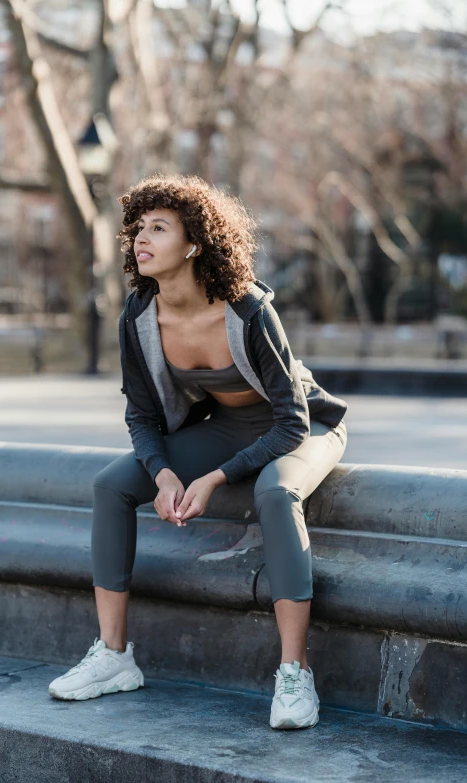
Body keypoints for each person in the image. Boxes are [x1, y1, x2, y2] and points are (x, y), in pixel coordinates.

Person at [49, 173, 348, 730]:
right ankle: (114, 657)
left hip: (301, 427)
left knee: (276, 493)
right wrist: (162, 473)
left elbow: (292, 421)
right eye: (138, 228)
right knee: (111, 485)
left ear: (194, 244)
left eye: (159, 228)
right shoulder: (139, 317)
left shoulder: (249, 310)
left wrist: (214, 478)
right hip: (230, 425)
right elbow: (140, 415)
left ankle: (294, 673)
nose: (142, 238)